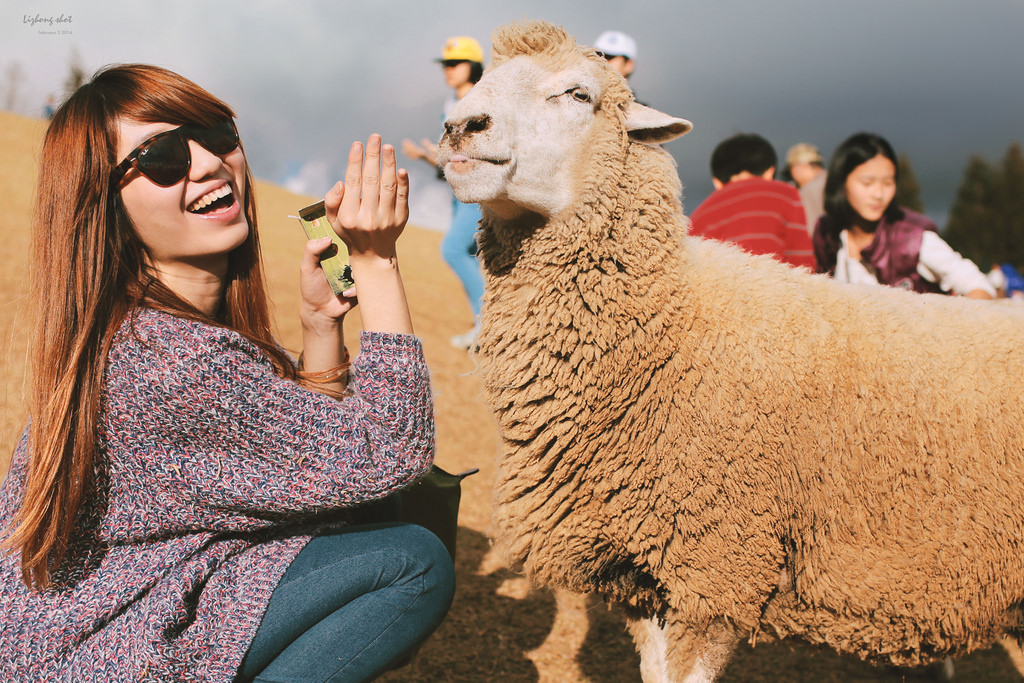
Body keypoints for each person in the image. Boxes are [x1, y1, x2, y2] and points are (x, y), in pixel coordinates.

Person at [0, 64, 454, 682]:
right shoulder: (169, 357)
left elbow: (307, 473)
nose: (209, 162)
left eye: (216, 134)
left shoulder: (142, 331)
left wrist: (320, 328)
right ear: (103, 207)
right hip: (96, 649)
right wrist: (375, 263)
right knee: (410, 562)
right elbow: (388, 452)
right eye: (161, 157)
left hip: (109, 619)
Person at [813, 132, 994, 299]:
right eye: (867, 183)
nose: (878, 194)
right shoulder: (827, 235)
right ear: (841, 182)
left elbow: (978, 286)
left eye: (887, 183)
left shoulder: (912, 238)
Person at [403, 36, 485, 350]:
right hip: (457, 192)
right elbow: (451, 160)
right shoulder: (450, 104)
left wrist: (440, 157)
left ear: (473, 65)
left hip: (476, 192)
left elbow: (476, 154)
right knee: (470, 257)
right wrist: (428, 157)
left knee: (452, 250)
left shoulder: (481, 101)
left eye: (455, 63)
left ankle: (487, 325)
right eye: (445, 64)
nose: (448, 69)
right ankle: (483, 326)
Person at [688, 133, 816, 269]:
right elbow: (802, 262)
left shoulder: (698, 216)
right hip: (774, 280)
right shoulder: (786, 194)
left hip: (721, 281)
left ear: (717, 182)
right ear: (769, 172)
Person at [785, 142, 827, 234]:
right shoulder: (833, 180)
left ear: (802, 166)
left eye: (791, 168)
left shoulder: (809, 190)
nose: (792, 174)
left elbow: (810, 230)